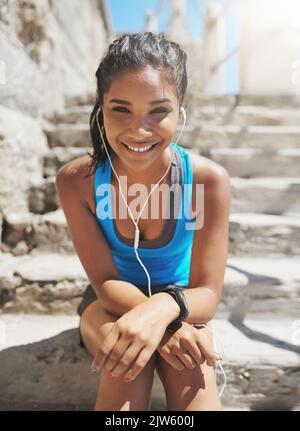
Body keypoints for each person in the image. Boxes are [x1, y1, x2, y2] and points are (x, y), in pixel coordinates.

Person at [56, 32, 231, 411]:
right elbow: (105, 281)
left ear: (180, 111)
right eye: (121, 109)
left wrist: (164, 312)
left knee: (189, 370)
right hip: (110, 303)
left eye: (158, 111)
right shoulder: (78, 182)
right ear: (100, 107)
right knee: (127, 359)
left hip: (184, 305)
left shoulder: (206, 181)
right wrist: (159, 323)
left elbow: (208, 294)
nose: (139, 129)